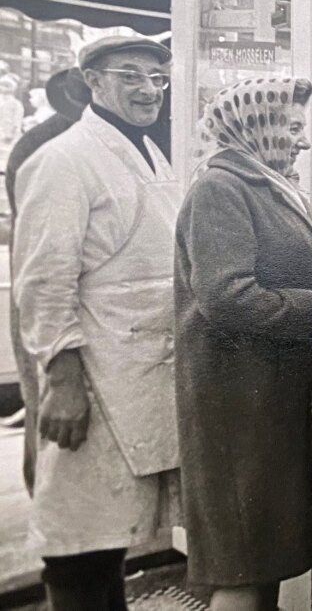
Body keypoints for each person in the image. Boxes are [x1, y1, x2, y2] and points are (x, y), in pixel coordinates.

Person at [13, 36, 178, 610]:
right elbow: (43, 281)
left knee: (111, 537)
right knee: (78, 543)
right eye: (130, 75)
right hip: (90, 377)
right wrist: (62, 381)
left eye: (157, 77)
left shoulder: (150, 152)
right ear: (93, 82)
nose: (147, 89)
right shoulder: (60, 161)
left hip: (137, 372)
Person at [175, 77, 312, 611]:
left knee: (263, 554)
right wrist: (308, 313)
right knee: (242, 561)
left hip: (262, 399)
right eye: (291, 127)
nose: (301, 141)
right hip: (235, 404)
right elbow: (224, 294)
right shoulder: (220, 187)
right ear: (256, 124)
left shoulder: (260, 181)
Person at [4, 67, 90, 493]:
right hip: (47, 294)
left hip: (50, 293)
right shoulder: (45, 148)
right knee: (49, 410)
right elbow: (44, 265)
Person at [0, 74, 24, 147]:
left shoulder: (16, 104)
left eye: (7, 86)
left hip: (8, 133)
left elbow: (17, 120)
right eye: (1, 85)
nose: (3, 87)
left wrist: (13, 132)